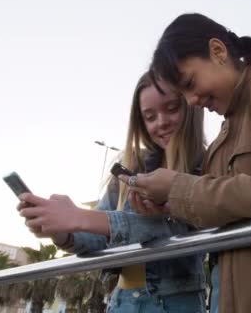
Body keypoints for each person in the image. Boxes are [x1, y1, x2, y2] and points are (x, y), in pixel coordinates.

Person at [119, 13, 251, 313]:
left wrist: (177, 187)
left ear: (218, 51)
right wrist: (167, 204)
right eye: (184, 93)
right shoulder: (225, 134)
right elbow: (229, 206)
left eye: (190, 83)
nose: (191, 100)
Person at [17, 72, 207, 313]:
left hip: (176, 302)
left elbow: (180, 231)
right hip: (121, 301)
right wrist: (62, 232)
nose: (161, 122)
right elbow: (99, 236)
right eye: (149, 116)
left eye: (171, 108)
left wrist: (80, 217)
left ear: (190, 107)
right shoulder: (130, 166)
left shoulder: (207, 165)